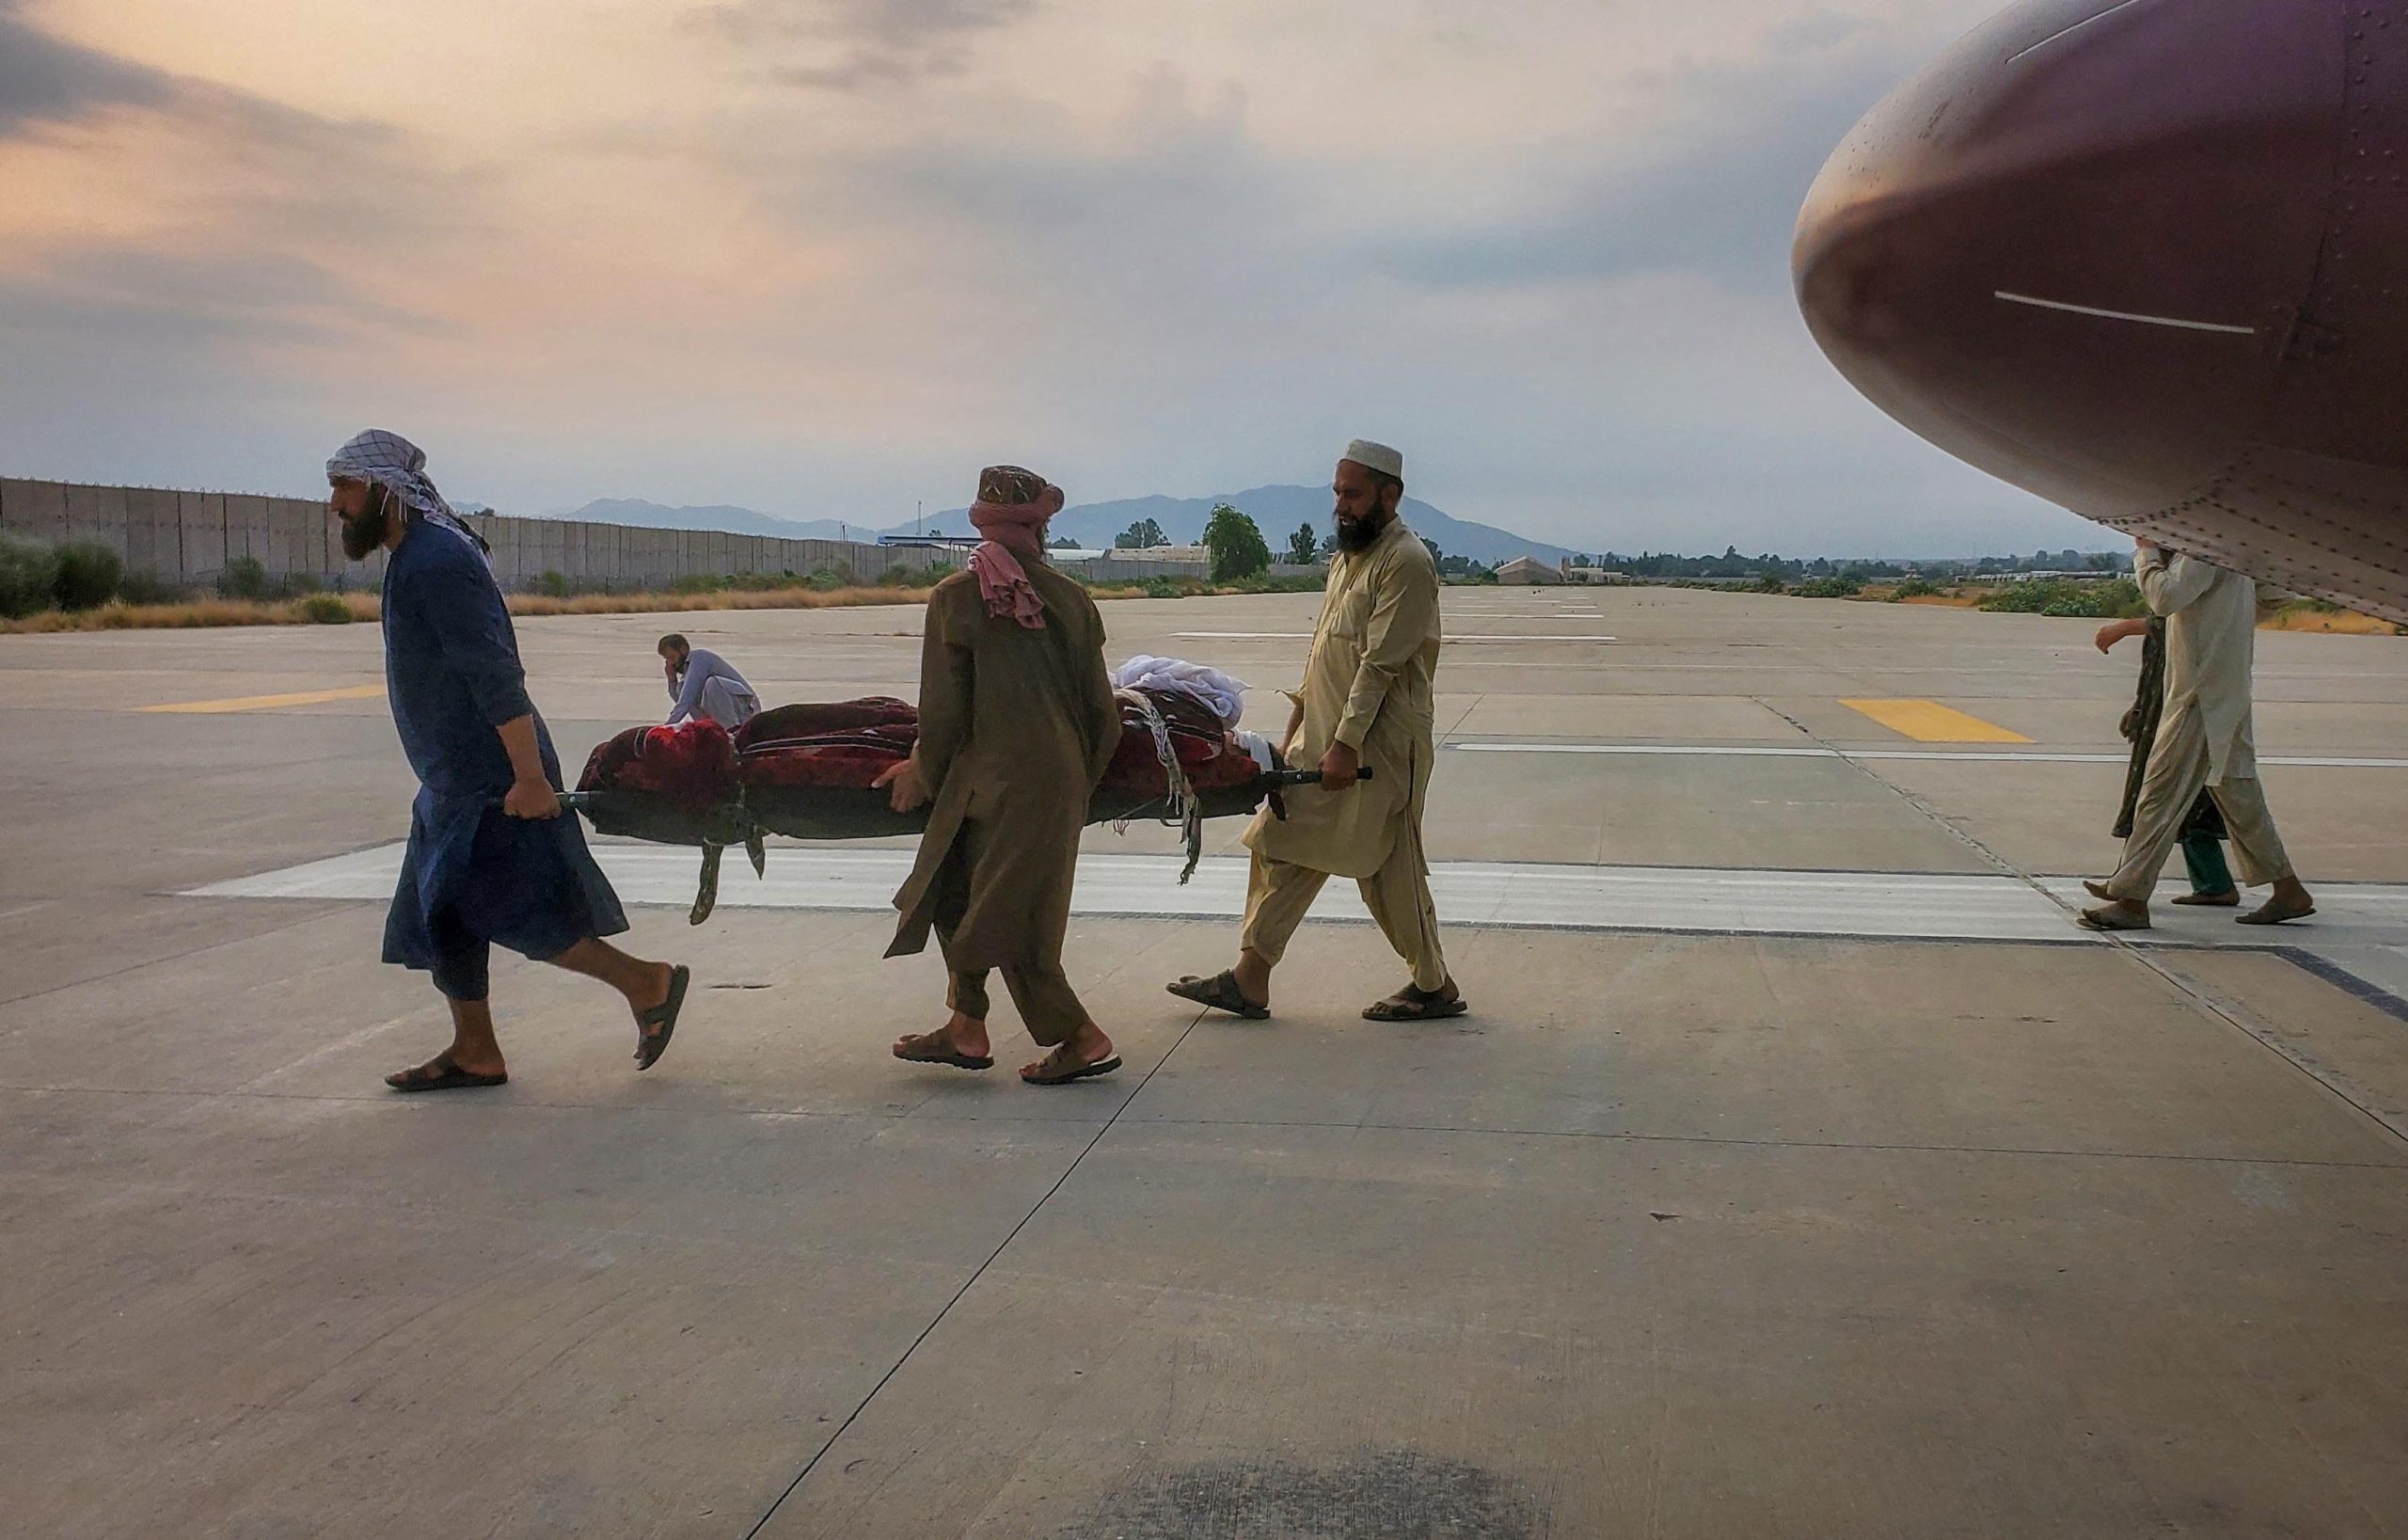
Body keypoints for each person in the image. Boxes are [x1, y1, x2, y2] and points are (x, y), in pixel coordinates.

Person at [327, 429, 690, 1090]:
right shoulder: (415, 556)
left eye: (343, 487)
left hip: (491, 773)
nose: (335, 504)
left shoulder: (436, 560)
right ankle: (476, 1050)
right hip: (452, 776)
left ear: (383, 488)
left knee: (519, 908)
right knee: (444, 911)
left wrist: (529, 777)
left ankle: (647, 983)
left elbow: (495, 675)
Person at [1167, 439, 1465, 1021]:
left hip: (1380, 747)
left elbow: (1380, 665)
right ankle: (1252, 977)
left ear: (1390, 495)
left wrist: (1345, 746)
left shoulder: (1405, 562)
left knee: (1386, 868)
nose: (1341, 505)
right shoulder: (1347, 558)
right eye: (1337, 492)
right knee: (1280, 843)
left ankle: (1432, 984)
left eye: (1353, 494)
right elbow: (1322, 656)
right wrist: (1295, 734)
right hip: (1326, 738)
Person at [877, 465, 1124, 1086]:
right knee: (953, 889)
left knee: (1007, 920)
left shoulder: (956, 598)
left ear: (982, 524)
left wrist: (921, 772)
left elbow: (941, 713)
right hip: (1049, 780)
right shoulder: (1072, 598)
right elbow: (1105, 716)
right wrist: (1077, 785)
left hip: (992, 782)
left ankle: (1083, 1038)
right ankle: (966, 1025)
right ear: (1040, 527)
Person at [2080, 540, 2315, 930]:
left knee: (2159, 794)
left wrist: (2146, 554)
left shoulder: (2201, 550)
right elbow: (2278, 595)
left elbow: (2163, 598)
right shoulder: (2237, 549)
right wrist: (2226, 621)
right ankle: (2288, 890)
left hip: (2200, 697)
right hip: (2226, 691)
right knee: (2239, 796)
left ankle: (2132, 899)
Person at [2095, 615, 2235, 905]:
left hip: (2182, 718)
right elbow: (2158, 667)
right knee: (2179, 803)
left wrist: (2123, 628)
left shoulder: (2187, 603)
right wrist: (2140, 706)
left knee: (2161, 800)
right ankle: (2213, 883)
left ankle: (2127, 886)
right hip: (2162, 713)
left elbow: (2175, 622)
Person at [659, 633, 759, 729]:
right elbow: (681, 701)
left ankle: (729, 729)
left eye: (672, 657)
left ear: (683, 650)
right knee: (683, 689)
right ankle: (709, 730)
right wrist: (672, 680)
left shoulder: (700, 658)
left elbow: (686, 700)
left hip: (745, 710)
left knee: (713, 683)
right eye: (666, 659)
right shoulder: (686, 672)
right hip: (724, 711)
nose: (670, 663)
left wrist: (665, 729)